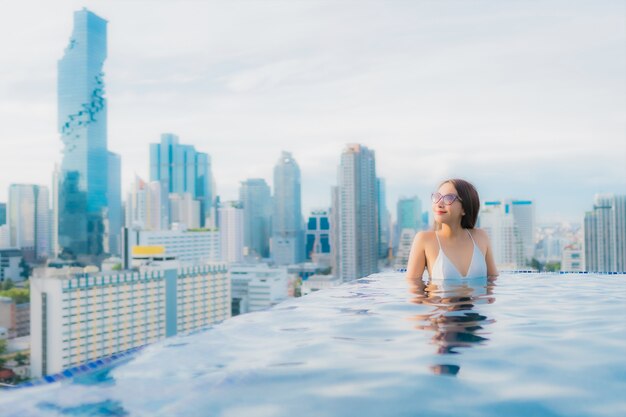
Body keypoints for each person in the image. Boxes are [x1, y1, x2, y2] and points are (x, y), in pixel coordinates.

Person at [405, 178, 498, 283]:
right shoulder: (424, 240)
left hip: (478, 300)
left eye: (448, 198)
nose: (439, 204)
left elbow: (493, 282)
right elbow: (414, 289)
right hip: (438, 299)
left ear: (464, 209)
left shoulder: (481, 237)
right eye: (437, 197)